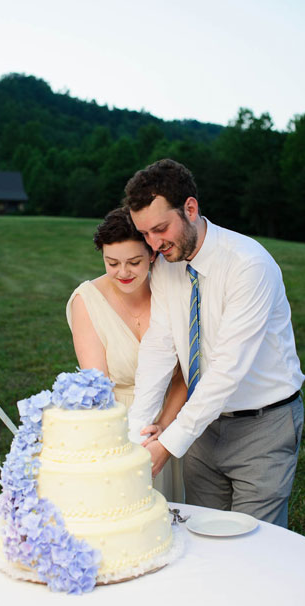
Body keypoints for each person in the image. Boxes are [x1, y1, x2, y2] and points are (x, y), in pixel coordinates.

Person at [122, 158, 305, 528]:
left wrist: (168, 444)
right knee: (202, 535)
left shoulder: (248, 265)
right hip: (202, 427)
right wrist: (137, 429)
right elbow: (159, 347)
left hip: (263, 425)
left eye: (160, 228)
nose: (154, 244)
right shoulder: (164, 264)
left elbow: (225, 371)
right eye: (145, 234)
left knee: (257, 545)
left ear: (191, 208)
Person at [66, 207, 186, 502]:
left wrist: (166, 430)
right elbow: (98, 386)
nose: (123, 272)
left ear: (153, 255)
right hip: (118, 423)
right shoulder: (87, 301)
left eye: (134, 262)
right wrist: (128, 442)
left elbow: (187, 371)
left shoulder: (173, 290)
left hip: (177, 418)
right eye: (112, 262)